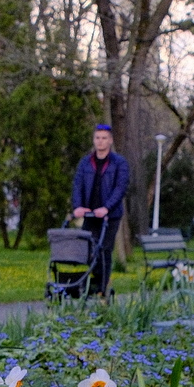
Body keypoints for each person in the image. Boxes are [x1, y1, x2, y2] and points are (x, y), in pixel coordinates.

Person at [70, 123, 129, 296]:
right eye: (97, 138)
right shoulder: (86, 162)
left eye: (104, 138)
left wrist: (107, 208)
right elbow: (78, 184)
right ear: (94, 140)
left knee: (104, 250)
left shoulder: (119, 163)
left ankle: (102, 288)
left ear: (110, 141)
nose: (100, 142)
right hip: (90, 214)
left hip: (109, 216)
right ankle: (91, 284)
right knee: (88, 249)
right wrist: (77, 206)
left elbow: (120, 187)